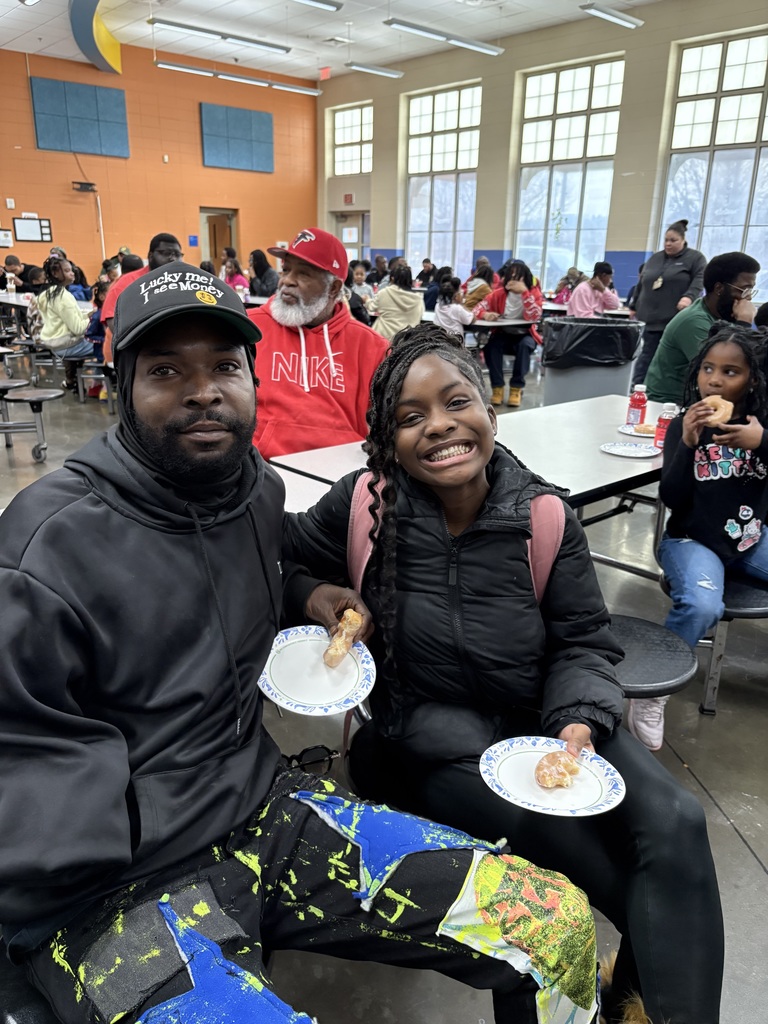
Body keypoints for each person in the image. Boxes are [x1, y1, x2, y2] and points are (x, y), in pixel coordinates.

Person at [0, 267, 599, 1024]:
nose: (203, 391)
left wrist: (308, 593)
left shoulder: (252, 488)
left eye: (224, 367)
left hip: (258, 806)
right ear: (122, 389)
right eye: (165, 371)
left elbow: (239, 575)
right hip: (106, 890)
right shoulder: (45, 547)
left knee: (551, 922)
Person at [283, 325, 725, 1024]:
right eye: (409, 417)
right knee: (604, 873)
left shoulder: (544, 515)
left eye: (456, 403)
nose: (439, 428)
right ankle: (635, 999)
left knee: (675, 822)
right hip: (436, 743)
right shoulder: (366, 504)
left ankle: (647, 1009)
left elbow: (583, 640)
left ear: (489, 408)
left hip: (546, 718)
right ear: (386, 438)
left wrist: (578, 722)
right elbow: (281, 557)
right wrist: (316, 595)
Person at [628, 326, 768, 751]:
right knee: (703, 604)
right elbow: (671, 497)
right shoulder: (685, 424)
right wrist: (687, 444)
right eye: (708, 369)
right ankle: (652, 695)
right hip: (692, 540)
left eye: (730, 371)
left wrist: (761, 442)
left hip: (749, 537)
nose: (715, 380)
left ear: (753, 379)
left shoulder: (761, 426)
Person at [247, 227, 388, 459]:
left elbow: (385, 427)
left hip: (341, 476)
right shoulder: (249, 329)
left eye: (303, 274)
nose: (287, 281)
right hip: (262, 471)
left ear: (333, 288)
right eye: (286, 270)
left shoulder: (373, 347)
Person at [645, 252, 760, 405]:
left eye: (750, 291)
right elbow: (732, 364)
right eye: (744, 290)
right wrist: (744, 322)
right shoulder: (694, 321)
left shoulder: (718, 316)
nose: (748, 298)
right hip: (667, 406)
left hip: (695, 401)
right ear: (719, 288)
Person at [629, 220, 707, 385]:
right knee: (646, 356)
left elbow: (700, 279)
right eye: (666, 240)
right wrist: (633, 306)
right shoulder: (655, 258)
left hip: (674, 319)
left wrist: (689, 296)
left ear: (683, 240)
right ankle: (637, 389)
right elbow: (642, 282)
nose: (668, 244)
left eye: (673, 240)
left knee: (669, 359)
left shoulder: (695, 258)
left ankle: (662, 389)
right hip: (650, 319)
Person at [99, 233, 183, 362]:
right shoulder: (128, 282)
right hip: (131, 352)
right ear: (150, 256)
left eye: (178, 255)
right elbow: (113, 321)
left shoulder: (184, 282)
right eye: (166, 253)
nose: (173, 259)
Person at [475, 260, 543, 407]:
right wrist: (485, 314)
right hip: (503, 334)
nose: (513, 280)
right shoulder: (498, 294)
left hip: (525, 335)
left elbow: (535, 316)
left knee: (524, 346)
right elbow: (477, 309)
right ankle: (497, 388)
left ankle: (516, 388)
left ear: (525, 278)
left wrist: (524, 293)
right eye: (510, 276)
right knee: (491, 347)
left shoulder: (534, 294)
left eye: (517, 277)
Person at [35, 255, 95, 389]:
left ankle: (72, 380)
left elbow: (65, 319)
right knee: (106, 344)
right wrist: (92, 320)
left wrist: (87, 315)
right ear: (56, 273)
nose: (72, 273)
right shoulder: (63, 297)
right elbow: (78, 329)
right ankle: (105, 385)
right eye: (67, 271)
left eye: (71, 270)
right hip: (68, 346)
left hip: (55, 343)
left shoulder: (48, 294)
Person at [370, 264, 425, 341]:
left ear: (392, 279)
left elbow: (371, 307)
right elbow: (420, 315)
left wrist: (366, 301)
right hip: (406, 341)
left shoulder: (384, 292)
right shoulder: (418, 299)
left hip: (383, 338)